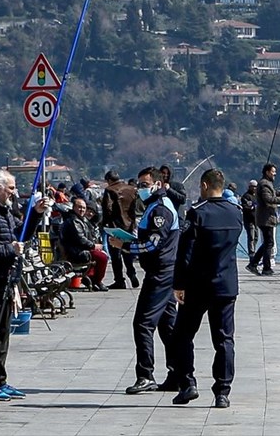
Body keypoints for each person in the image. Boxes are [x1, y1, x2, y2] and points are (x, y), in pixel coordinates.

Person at [0, 168, 45, 402]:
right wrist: (9, 250)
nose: (14, 192)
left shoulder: (4, 211)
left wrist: (35, 214)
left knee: (3, 331)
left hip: (7, 277)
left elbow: (19, 235)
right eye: (11, 188)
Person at [170, 169, 241, 409]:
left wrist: (178, 284)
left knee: (182, 335)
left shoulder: (197, 213)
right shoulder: (236, 213)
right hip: (226, 285)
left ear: (204, 186)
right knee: (224, 340)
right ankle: (223, 391)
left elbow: (185, 253)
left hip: (197, 286)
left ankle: (188, 383)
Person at [107, 167, 180, 395]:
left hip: (161, 272)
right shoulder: (152, 206)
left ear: (157, 184)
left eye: (145, 184)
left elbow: (153, 243)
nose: (140, 189)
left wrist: (125, 246)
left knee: (143, 323)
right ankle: (177, 373)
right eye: (139, 184)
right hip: (164, 270)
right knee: (168, 327)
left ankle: (145, 374)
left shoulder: (161, 210)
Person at [101, 170, 141, 289]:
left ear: (108, 180)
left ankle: (119, 280)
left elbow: (107, 208)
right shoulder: (132, 189)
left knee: (115, 255)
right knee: (127, 250)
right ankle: (131, 273)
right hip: (129, 225)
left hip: (115, 226)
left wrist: (105, 224)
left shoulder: (110, 190)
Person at [60, 196, 110, 291]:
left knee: (101, 254)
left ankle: (91, 278)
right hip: (75, 251)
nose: (82, 210)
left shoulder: (81, 220)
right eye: (79, 207)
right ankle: (97, 281)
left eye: (83, 208)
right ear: (73, 207)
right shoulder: (74, 221)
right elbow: (80, 239)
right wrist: (93, 246)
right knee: (102, 257)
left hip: (80, 249)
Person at [247, 163, 280, 277]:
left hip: (266, 217)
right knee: (269, 242)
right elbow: (268, 198)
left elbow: (272, 192)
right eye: (273, 171)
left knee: (267, 242)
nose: (275, 174)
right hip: (266, 218)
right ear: (267, 172)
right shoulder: (265, 183)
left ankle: (255, 263)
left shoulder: (266, 183)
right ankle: (265, 267)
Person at [240, 180, 258, 256]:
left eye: (256, 186)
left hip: (256, 220)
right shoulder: (246, 196)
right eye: (253, 186)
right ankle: (251, 253)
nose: (254, 188)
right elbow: (245, 207)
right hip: (249, 220)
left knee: (256, 237)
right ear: (249, 187)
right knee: (251, 237)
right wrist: (253, 207)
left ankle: (254, 250)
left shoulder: (257, 196)